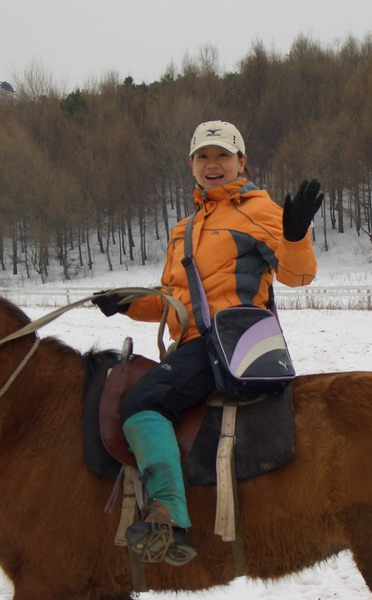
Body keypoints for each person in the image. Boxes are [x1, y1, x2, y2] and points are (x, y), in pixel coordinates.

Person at [93, 120, 322, 566]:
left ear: (241, 161)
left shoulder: (261, 210)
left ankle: (169, 522)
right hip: (193, 343)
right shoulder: (184, 228)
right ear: (192, 165)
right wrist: (127, 303)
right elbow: (171, 303)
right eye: (203, 157)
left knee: (143, 404)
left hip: (231, 341)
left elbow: (299, 276)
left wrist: (295, 236)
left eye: (222, 155)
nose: (212, 165)